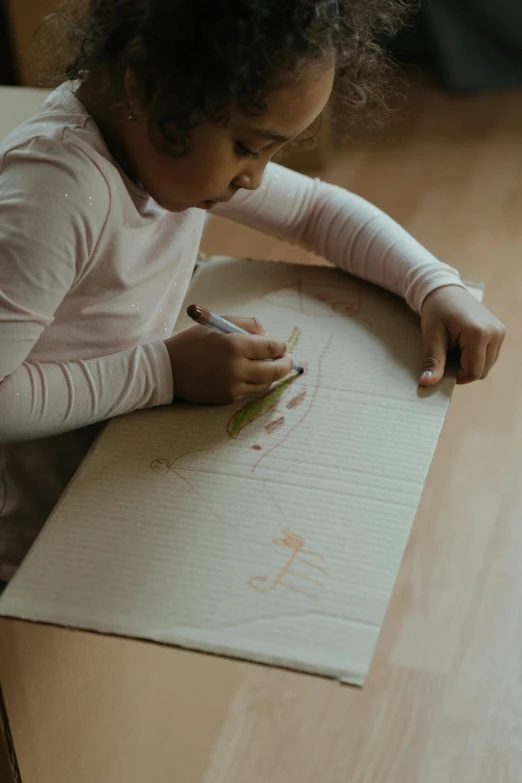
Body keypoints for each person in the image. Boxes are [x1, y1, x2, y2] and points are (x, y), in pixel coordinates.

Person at [0, 0, 505, 585]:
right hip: (41, 542)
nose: (255, 179)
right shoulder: (55, 195)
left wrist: (432, 283)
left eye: (271, 151)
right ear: (147, 90)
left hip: (126, 473)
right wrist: (163, 372)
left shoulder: (163, 134)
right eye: (246, 147)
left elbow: (316, 211)